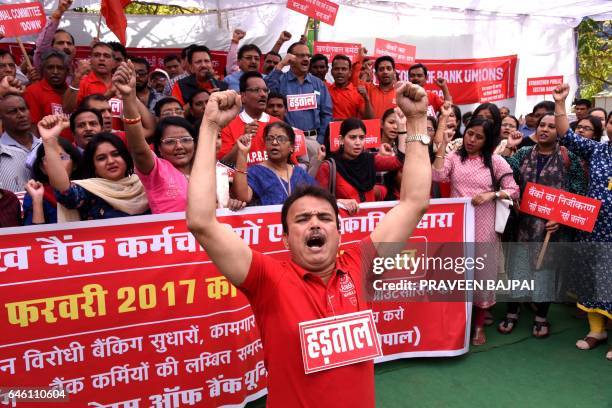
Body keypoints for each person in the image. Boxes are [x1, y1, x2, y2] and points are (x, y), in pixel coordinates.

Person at [186, 83, 431, 407]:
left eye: (325, 218)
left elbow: (414, 202)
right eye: (302, 220)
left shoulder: (361, 264)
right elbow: (201, 222)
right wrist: (209, 127)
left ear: (340, 233)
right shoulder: (267, 279)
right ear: (285, 238)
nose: (315, 223)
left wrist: (415, 121)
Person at [433, 116, 519, 345]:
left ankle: (479, 325)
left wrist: (492, 194)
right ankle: (455, 325)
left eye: (479, 137)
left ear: (487, 140)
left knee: (481, 276)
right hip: (456, 227)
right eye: (470, 133)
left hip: (484, 226)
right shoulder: (453, 158)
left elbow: (514, 189)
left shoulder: (495, 161)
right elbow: (437, 175)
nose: (471, 139)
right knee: (456, 276)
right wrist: (441, 145)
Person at [499, 111, 586, 338]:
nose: (545, 129)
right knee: (518, 271)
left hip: (553, 229)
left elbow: (579, 191)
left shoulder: (569, 157)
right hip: (522, 225)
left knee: (545, 274)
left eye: (551, 126)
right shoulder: (525, 153)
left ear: (560, 131)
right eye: (541, 125)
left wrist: (561, 216)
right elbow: (504, 173)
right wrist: (510, 146)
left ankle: (541, 317)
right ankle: (512, 312)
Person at [553, 84, 611, 360]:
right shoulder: (598, 152)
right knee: (592, 279)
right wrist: (560, 102)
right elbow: (565, 134)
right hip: (594, 230)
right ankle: (596, 331)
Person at [40, 114, 149, 221]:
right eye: (101, 158)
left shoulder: (145, 186)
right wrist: (49, 141)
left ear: (126, 158)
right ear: (93, 166)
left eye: (116, 154)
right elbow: (64, 191)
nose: (110, 161)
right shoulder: (88, 192)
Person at [316, 117, 403, 202]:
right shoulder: (329, 167)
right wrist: (339, 202)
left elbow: (399, 161)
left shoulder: (370, 160)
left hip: (370, 215)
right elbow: (320, 200)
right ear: (341, 139)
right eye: (352, 137)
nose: (358, 142)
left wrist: (403, 130)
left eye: (361, 138)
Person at [232, 121, 316, 205]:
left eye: (281, 139)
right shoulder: (255, 172)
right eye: (270, 138)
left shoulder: (299, 173)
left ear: (291, 147)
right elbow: (242, 197)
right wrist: (242, 153)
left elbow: (315, 199)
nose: (274, 142)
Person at [266, 42, 333, 145]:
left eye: (308, 56)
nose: (306, 59)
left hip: (313, 140)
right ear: (290, 58)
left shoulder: (318, 84)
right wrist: (281, 64)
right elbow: (265, 89)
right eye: (301, 56)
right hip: (286, 140)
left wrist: (320, 138)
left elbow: (326, 113)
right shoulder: (280, 80)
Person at [219, 71, 280, 165]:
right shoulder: (228, 126)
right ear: (243, 97)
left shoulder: (279, 125)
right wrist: (243, 141)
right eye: (256, 90)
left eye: (265, 90)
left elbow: (289, 161)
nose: (263, 94)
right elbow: (224, 164)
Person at [23, 137, 81, 224]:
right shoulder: (34, 194)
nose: (56, 163)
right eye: (50, 158)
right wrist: (37, 201)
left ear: (74, 165)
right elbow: (34, 236)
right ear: (42, 168)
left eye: (62, 157)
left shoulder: (86, 189)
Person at [24, 50, 71, 141]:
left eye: (60, 68)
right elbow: (33, 128)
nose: (55, 72)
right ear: (42, 70)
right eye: (50, 67)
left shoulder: (73, 92)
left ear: (67, 71)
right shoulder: (33, 91)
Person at [64, 42, 115, 113]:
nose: (101, 58)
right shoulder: (82, 83)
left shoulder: (121, 83)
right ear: (90, 60)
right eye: (97, 55)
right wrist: (77, 79)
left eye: (106, 56)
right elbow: (67, 109)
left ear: (114, 63)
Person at [328, 55, 374, 120]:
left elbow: (369, 119)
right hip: (329, 129)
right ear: (332, 72)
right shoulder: (326, 91)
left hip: (350, 129)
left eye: (344, 69)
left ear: (350, 72)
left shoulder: (358, 93)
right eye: (336, 69)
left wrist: (367, 99)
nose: (340, 72)